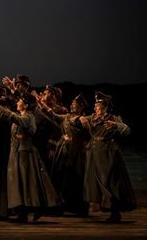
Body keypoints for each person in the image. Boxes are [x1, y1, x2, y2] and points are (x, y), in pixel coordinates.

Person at [0, 94, 60, 223]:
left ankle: (30, 209)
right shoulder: (21, 116)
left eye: (19, 101)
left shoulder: (29, 117)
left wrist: (1, 108)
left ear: (25, 104)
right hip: (16, 152)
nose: (17, 103)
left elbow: (18, 120)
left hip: (25, 154)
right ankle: (21, 210)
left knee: (27, 182)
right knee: (17, 182)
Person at [83, 92, 136, 222]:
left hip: (108, 154)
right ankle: (97, 205)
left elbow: (127, 130)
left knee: (110, 182)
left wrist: (115, 125)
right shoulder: (92, 118)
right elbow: (77, 121)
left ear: (105, 107)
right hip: (94, 154)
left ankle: (115, 211)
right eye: (95, 105)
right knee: (94, 182)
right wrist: (80, 119)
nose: (95, 108)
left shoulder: (113, 118)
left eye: (98, 105)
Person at [39, 94, 90, 216]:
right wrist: (40, 103)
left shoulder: (83, 120)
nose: (72, 105)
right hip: (63, 150)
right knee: (61, 175)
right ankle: (61, 205)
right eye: (72, 104)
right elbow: (52, 114)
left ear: (81, 107)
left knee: (76, 177)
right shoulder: (66, 117)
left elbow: (88, 137)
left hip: (76, 152)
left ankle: (78, 207)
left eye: (75, 104)